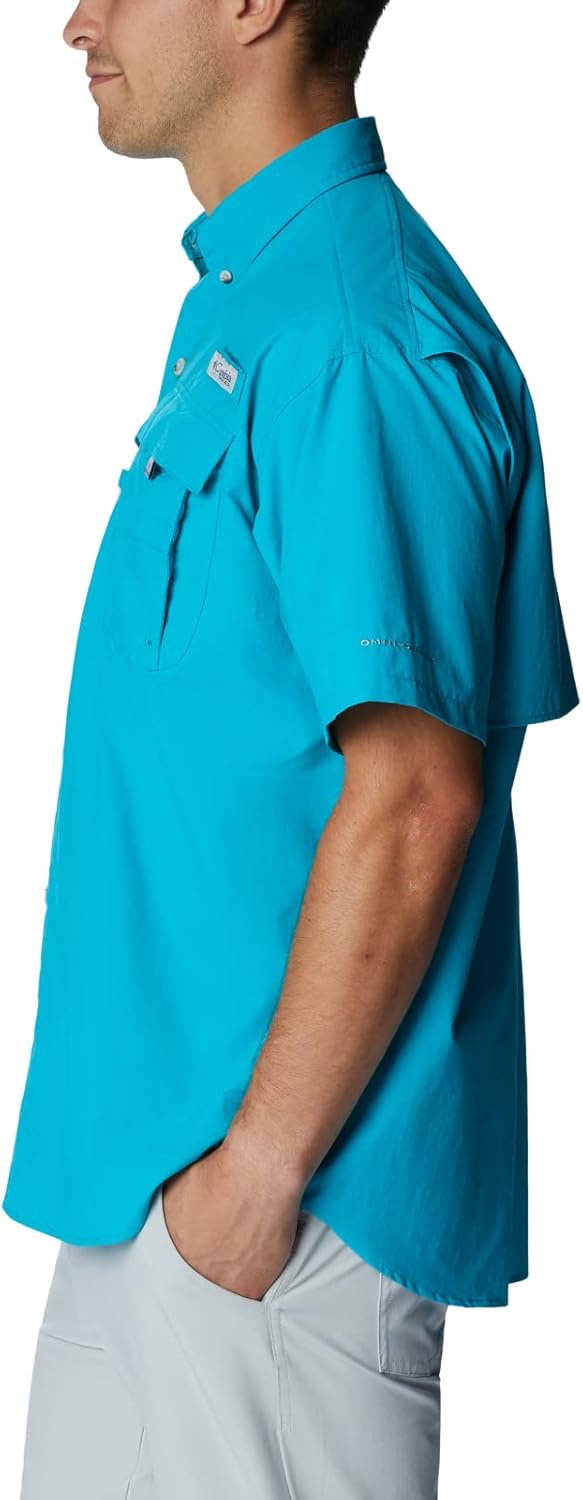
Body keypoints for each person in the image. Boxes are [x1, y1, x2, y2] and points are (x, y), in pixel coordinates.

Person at [4, 2, 579, 1497]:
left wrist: (255, 1182)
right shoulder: (256, 301)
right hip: (155, 1198)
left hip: (275, 1224)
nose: (76, 21)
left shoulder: (354, 333)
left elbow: (417, 794)